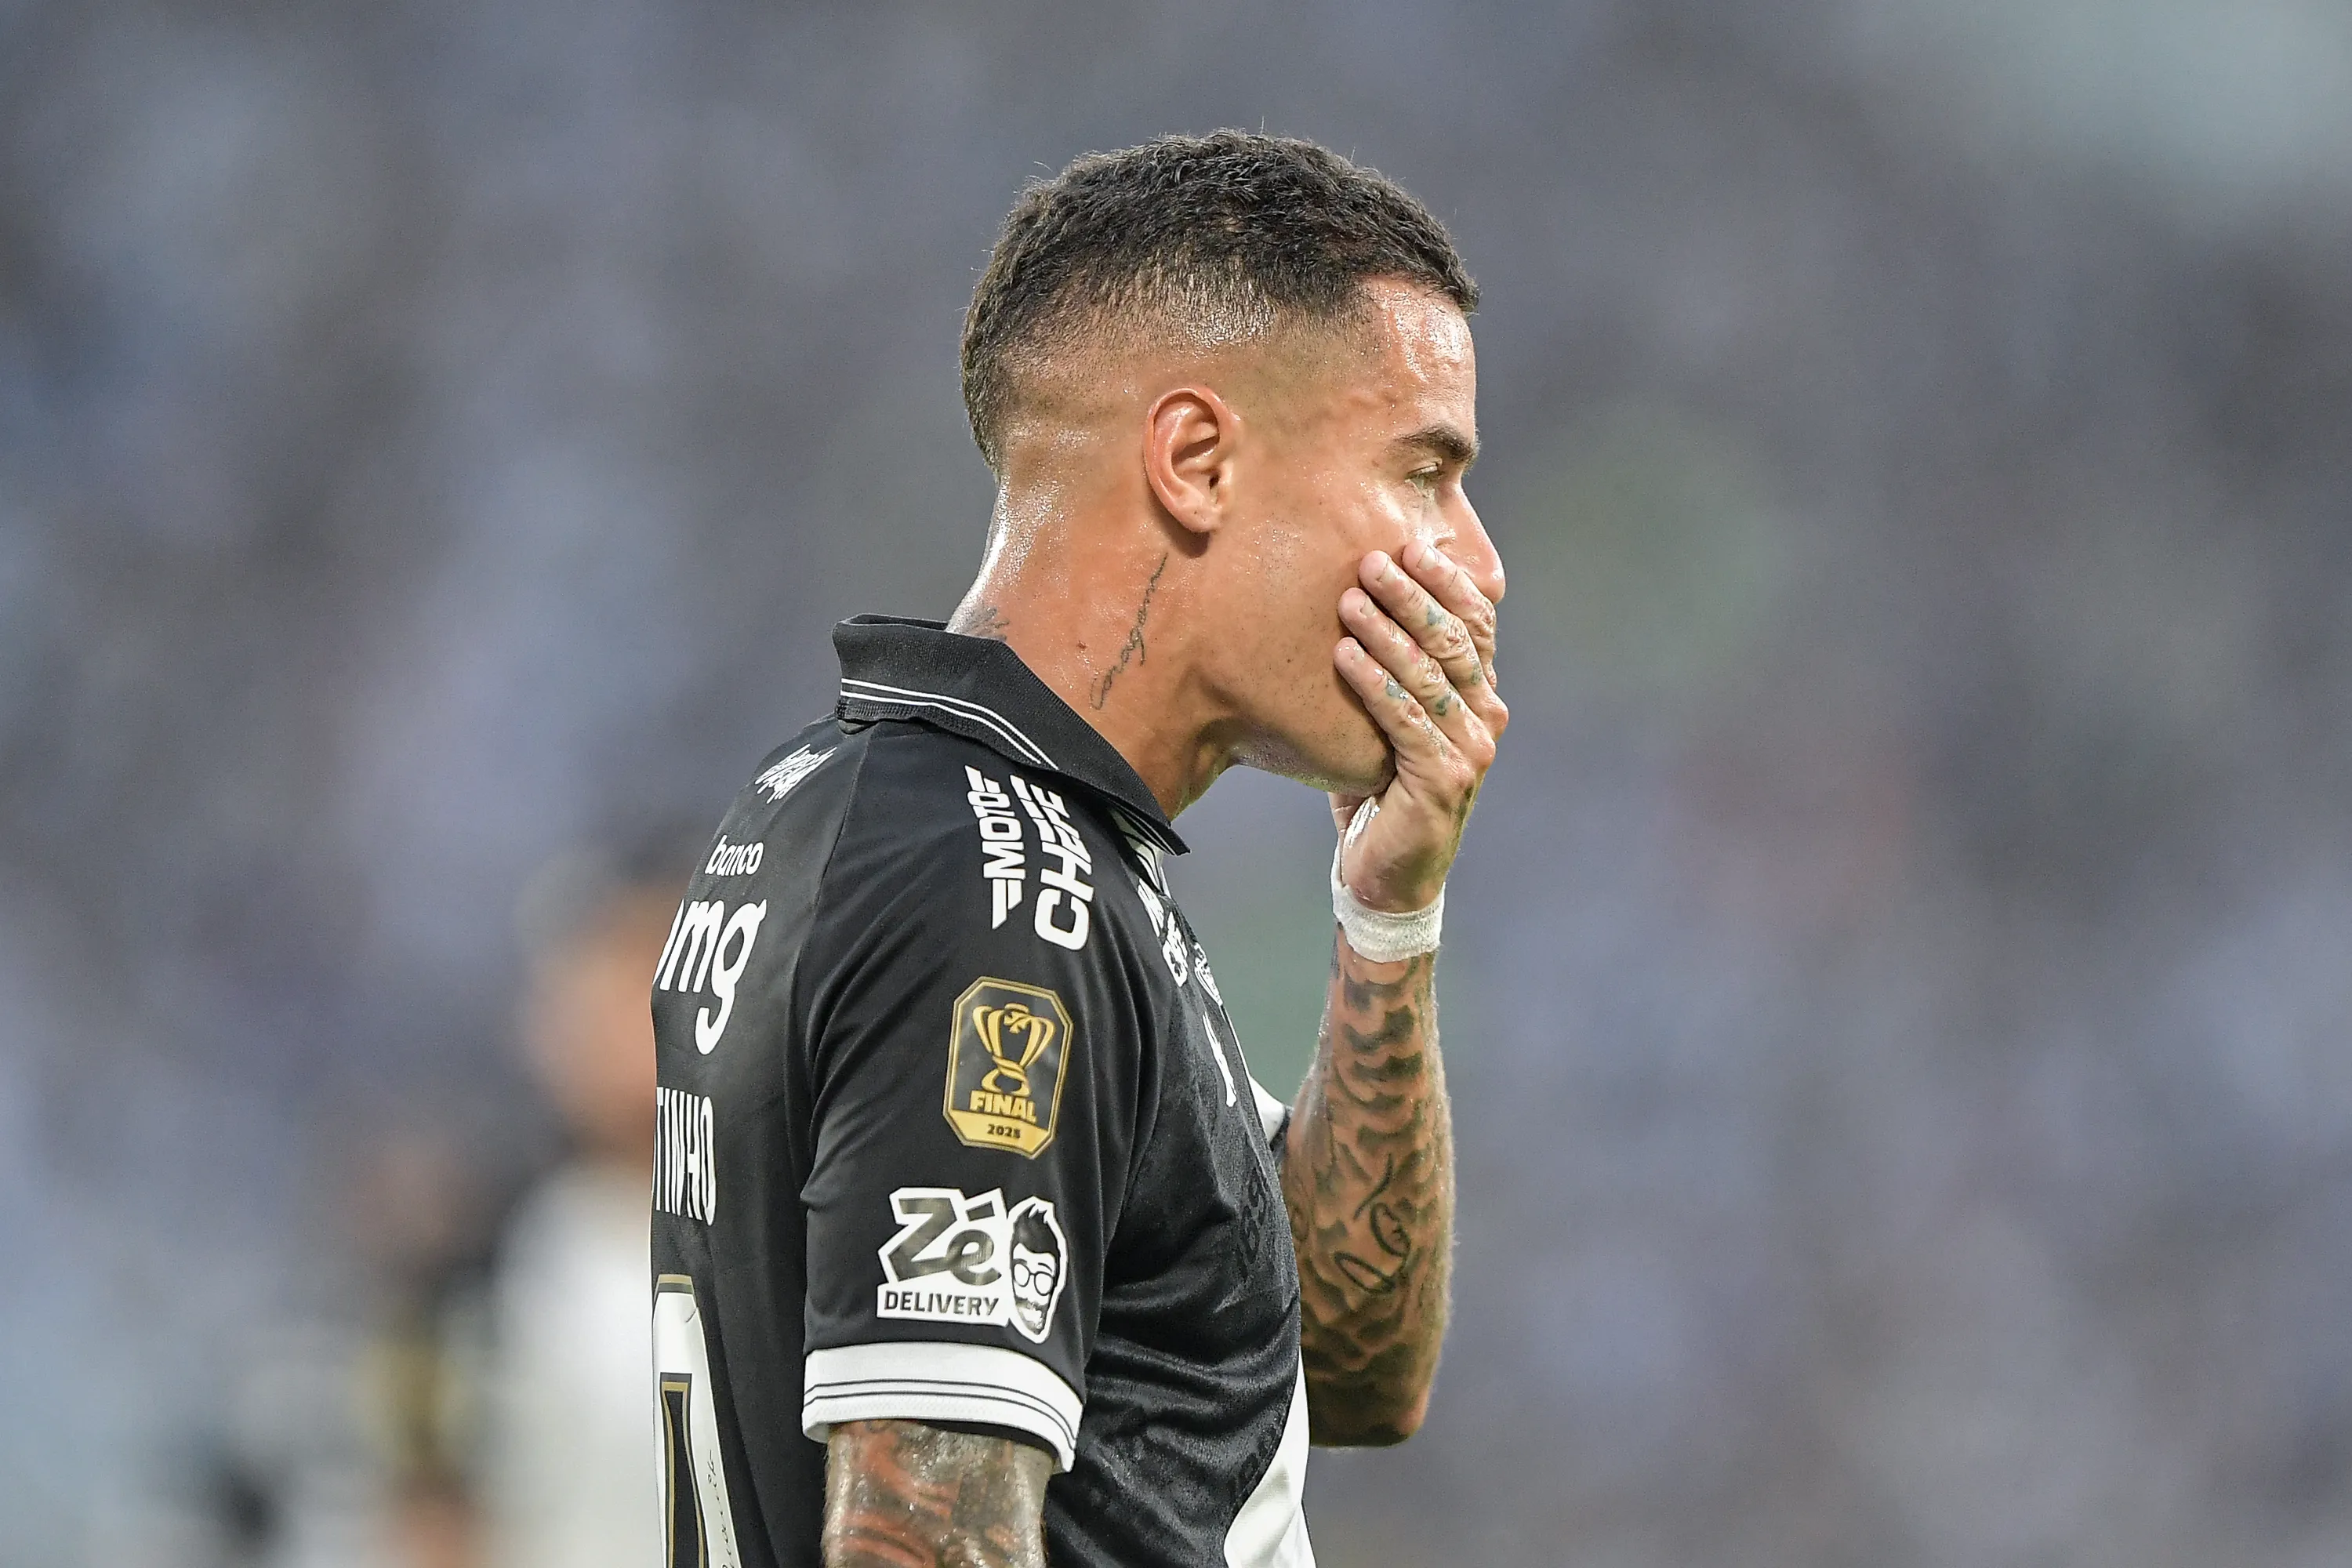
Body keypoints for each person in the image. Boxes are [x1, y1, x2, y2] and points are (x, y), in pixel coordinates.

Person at [650, 130, 1506, 1568]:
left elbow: (1349, 1374)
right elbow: (920, 1537)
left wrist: (1389, 918)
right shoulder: (987, 892)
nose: (1473, 560)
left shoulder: (930, 828)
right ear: (1196, 460)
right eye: (1423, 470)